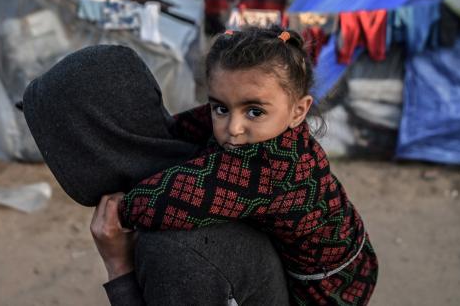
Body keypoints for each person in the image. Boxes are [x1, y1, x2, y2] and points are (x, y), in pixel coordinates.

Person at [117, 26, 378, 305]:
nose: (234, 128)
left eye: (255, 112)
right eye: (221, 108)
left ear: (298, 111)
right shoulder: (261, 127)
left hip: (332, 286)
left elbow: (170, 201)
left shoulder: (270, 165)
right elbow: (186, 126)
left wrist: (122, 206)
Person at [21, 44, 290, 305]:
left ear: (93, 143)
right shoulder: (202, 178)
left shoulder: (174, 247)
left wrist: (118, 268)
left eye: (56, 146)